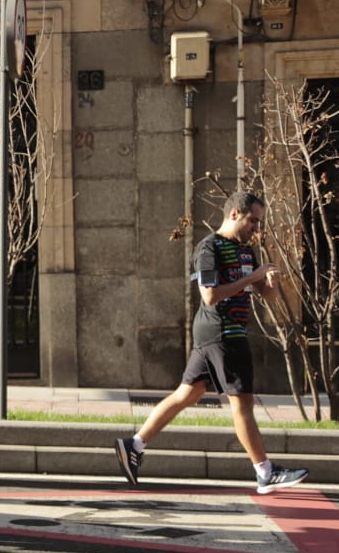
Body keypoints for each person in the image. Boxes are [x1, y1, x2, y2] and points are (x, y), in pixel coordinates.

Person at [113, 191, 309, 495]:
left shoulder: (245, 251)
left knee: (187, 395)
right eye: (252, 221)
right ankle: (265, 472)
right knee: (242, 402)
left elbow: (264, 295)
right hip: (223, 333)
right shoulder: (209, 247)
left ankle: (134, 444)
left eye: (258, 222)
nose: (256, 228)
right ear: (234, 214)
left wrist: (269, 283)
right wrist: (252, 277)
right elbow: (210, 295)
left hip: (218, 335)